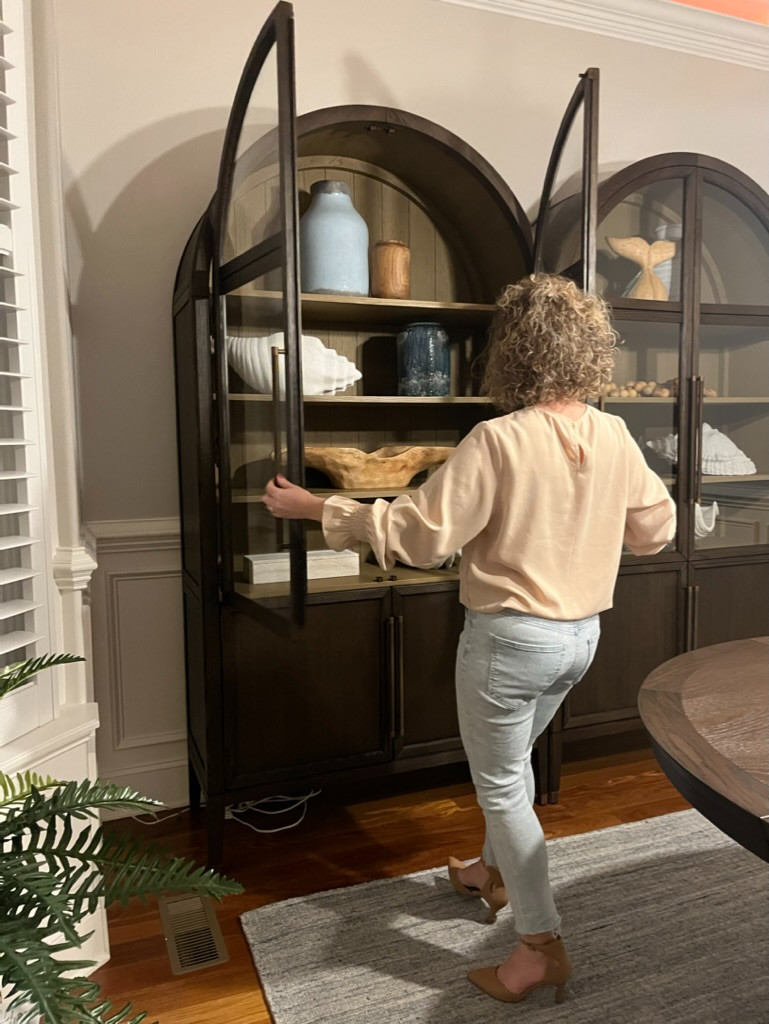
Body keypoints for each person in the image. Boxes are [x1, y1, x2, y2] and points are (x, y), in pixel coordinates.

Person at [262, 273, 676, 1005]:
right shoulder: (613, 432)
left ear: (511, 351)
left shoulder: (498, 438)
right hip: (580, 639)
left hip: (511, 641)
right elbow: (656, 530)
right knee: (512, 766)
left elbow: (420, 537)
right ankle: (487, 877)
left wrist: (317, 507)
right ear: (588, 350)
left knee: (502, 783)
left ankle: (538, 944)